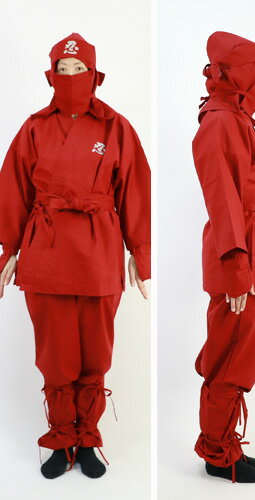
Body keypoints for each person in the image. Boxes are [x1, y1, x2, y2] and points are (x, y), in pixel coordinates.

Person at [0, 33, 151, 479]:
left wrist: (139, 254)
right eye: (62, 70)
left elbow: (136, 191)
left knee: (95, 352)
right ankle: (60, 435)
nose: (70, 76)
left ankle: (87, 438)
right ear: (51, 75)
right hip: (45, 251)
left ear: (94, 74)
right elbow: (13, 190)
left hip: (99, 251)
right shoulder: (34, 127)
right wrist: (9, 250)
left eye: (78, 69)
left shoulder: (116, 127)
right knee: (55, 353)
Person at [192, 31, 255, 483]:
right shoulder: (220, 122)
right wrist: (236, 267)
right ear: (236, 73)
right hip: (241, 254)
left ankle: (225, 442)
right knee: (229, 354)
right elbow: (222, 198)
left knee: (242, 353)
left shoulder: (236, 119)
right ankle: (217, 453)